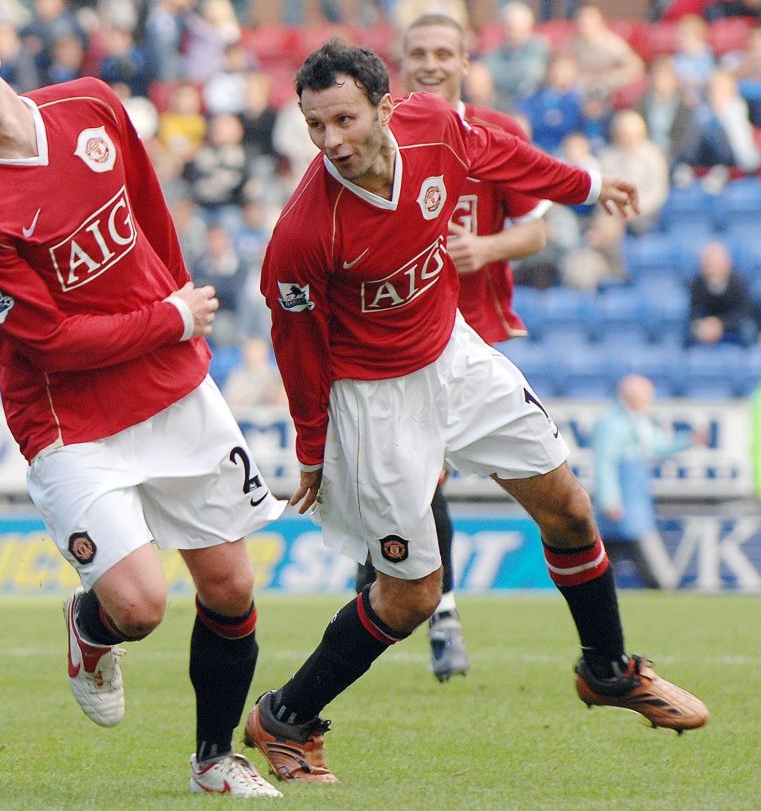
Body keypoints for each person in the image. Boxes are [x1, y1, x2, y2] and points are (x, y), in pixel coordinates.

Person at [244, 39, 708, 785]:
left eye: (343, 120)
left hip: (454, 356)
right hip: (377, 401)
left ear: (385, 108)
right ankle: (285, 718)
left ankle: (608, 669)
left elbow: (502, 157)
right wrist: (312, 446)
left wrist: (589, 185)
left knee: (568, 507)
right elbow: (295, 343)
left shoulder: (434, 126)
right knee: (412, 594)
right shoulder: (304, 231)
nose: (331, 141)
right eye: (314, 126)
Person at [0, 16, 286, 798]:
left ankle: (214, 761)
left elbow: (150, 214)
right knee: (141, 606)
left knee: (232, 587)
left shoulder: (92, 104)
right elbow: (51, 342)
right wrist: (168, 319)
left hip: (171, 384)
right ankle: (92, 625)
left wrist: (178, 321)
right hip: (71, 421)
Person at [354, 13, 552, 684]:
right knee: (416, 477)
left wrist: (485, 248)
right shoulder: (377, 139)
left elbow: (536, 231)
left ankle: (412, 599)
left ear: (467, 63)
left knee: (423, 478)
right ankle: (436, 610)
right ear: (400, 65)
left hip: (476, 328)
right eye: (419, 54)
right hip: (401, 336)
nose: (431, 63)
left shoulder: (499, 133)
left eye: (445, 53)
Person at [592, 374, 698, 589]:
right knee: (641, 545)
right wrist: (609, 500)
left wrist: (686, 441)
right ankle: (662, 586)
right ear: (631, 396)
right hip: (623, 501)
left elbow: (658, 446)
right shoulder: (611, 424)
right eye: (648, 394)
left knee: (608, 553)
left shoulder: (638, 421)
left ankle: (594, 589)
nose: (651, 399)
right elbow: (605, 464)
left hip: (635, 499)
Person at [687, 241, 756, 347]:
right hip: (708, 326)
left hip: (733, 326)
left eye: (715, 265)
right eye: (707, 265)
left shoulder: (738, 283)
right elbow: (694, 311)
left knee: (748, 328)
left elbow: (744, 310)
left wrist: (721, 324)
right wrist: (701, 326)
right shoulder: (697, 283)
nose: (711, 269)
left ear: (727, 264)